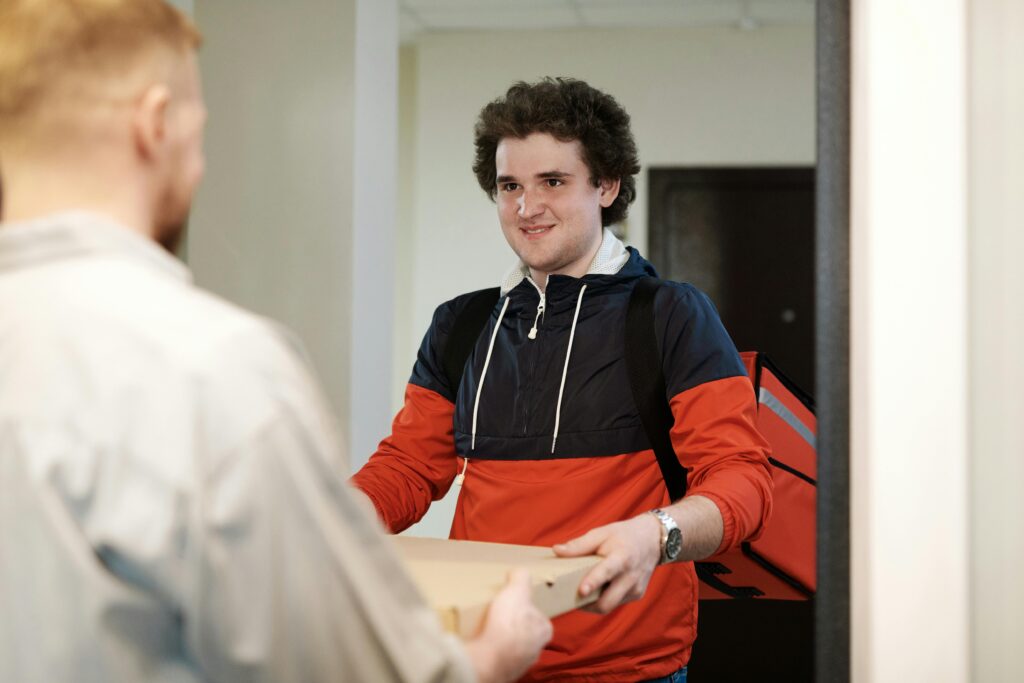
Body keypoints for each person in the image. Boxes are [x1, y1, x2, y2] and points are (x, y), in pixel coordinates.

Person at [0, 2, 551, 682]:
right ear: (155, 125)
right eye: (200, 132)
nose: (528, 207)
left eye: (551, 182)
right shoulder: (215, 369)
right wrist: (490, 657)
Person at [351, 78, 775, 682]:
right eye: (509, 187)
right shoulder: (462, 323)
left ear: (606, 185)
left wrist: (655, 535)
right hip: (481, 657)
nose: (526, 208)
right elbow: (410, 467)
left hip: (628, 670)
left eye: (552, 182)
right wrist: (335, 518)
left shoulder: (671, 316)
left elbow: (743, 482)